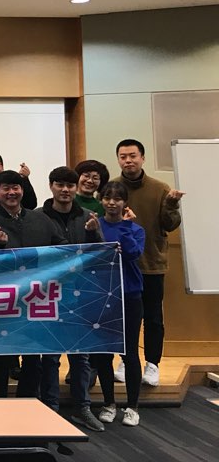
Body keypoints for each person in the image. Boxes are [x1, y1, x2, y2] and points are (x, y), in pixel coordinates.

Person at [0, 170, 66, 398]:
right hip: (3, 301)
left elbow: (63, 248)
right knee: (0, 358)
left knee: (32, 357)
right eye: (5, 188)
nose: (11, 192)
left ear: (22, 191)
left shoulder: (41, 219)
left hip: (35, 298)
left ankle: (28, 403)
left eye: (15, 187)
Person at [36, 166, 104, 431]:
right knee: (50, 357)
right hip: (48, 295)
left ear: (76, 188)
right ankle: (50, 408)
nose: (65, 190)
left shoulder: (88, 216)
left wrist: (93, 233)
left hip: (81, 295)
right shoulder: (37, 217)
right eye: (60, 185)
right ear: (51, 186)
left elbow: (101, 255)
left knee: (80, 356)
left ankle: (82, 408)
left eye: (70, 185)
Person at [112, 138, 184, 388]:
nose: (128, 161)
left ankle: (153, 364)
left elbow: (170, 224)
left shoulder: (160, 188)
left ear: (142, 158)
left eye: (132, 156)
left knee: (153, 318)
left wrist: (172, 205)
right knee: (123, 318)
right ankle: (126, 360)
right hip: (121, 266)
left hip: (152, 263)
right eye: (123, 156)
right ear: (118, 160)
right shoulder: (113, 188)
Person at [92, 181, 146, 427]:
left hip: (129, 295)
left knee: (130, 352)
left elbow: (132, 254)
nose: (112, 203)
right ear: (101, 200)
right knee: (104, 353)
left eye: (117, 199)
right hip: (102, 295)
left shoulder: (135, 229)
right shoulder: (94, 225)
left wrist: (125, 226)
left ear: (125, 202)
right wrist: (91, 233)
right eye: (107, 198)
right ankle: (109, 403)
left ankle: (132, 406)